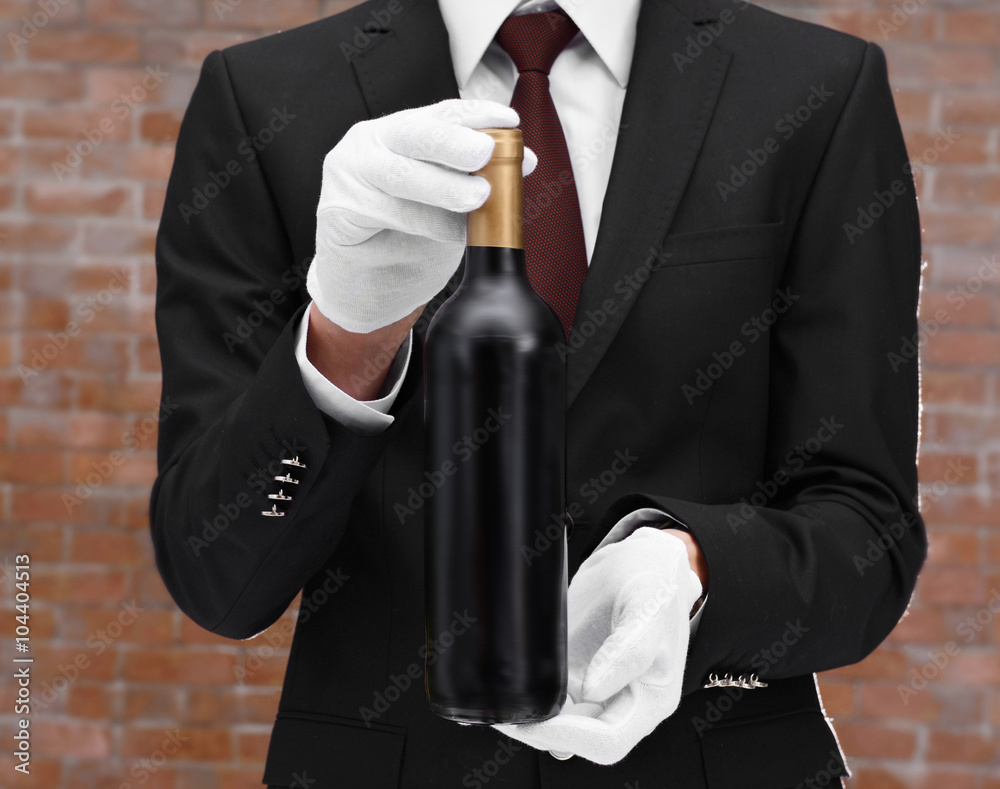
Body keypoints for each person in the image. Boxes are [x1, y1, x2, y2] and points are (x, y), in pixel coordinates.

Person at [151, 0, 926, 786]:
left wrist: (695, 567)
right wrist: (346, 338)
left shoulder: (818, 88)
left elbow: (868, 528)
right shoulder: (261, 94)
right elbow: (217, 574)